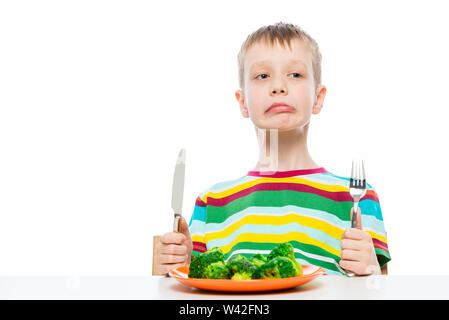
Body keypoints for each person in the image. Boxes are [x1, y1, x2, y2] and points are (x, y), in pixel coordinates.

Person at [154, 22, 390, 276]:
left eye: (295, 75)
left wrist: (372, 271)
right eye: (262, 76)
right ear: (243, 102)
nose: (278, 87)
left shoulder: (358, 197)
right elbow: (190, 289)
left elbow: (380, 289)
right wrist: (171, 266)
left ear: (318, 98)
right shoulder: (212, 203)